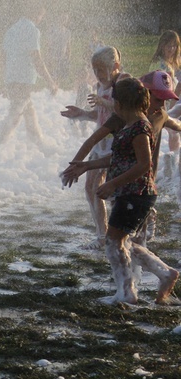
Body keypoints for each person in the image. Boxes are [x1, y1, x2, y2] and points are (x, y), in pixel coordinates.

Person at [60, 78, 178, 306]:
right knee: (121, 242)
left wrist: (113, 184)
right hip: (131, 194)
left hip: (137, 194)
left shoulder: (140, 129)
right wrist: (85, 165)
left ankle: (127, 293)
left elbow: (144, 165)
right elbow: (120, 158)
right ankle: (164, 274)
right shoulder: (129, 125)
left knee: (114, 243)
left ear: (121, 105)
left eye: (114, 102)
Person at [59, 46, 128, 249]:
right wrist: (81, 113)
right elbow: (98, 116)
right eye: (94, 70)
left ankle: (122, 233)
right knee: (91, 188)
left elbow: (125, 111)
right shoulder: (100, 86)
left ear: (115, 65)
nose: (97, 74)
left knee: (116, 191)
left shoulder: (124, 82)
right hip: (100, 143)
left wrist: (103, 102)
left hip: (117, 144)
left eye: (101, 69)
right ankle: (102, 234)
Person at [0, 4, 58, 145]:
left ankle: (37, 142)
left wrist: (4, 81)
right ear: (36, 14)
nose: (41, 19)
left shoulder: (11, 29)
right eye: (41, 16)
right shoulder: (32, 30)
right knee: (15, 114)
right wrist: (50, 82)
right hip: (23, 80)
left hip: (12, 79)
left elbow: (2, 58)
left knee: (28, 112)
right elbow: (37, 59)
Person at [149, 30, 181, 177]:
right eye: (169, 46)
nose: (172, 49)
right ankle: (169, 163)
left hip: (165, 104)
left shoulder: (169, 63)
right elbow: (159, 89)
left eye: (175, 46)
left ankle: (170, 160)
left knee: (172, 133)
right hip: (162, 105)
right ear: (162, 46)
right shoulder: (161, 65)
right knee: (169, 132)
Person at [44, 12, 72, 87]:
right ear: (58, 18)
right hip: (53, 55)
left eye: (65, 19)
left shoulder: (67, 32)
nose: (63, 20)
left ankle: (57, 88)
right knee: (52, 73)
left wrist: (68, 56)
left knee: (59, 75)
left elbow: (68, 46)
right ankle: (51, 87)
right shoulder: (53, 30)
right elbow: (48, 44)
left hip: (62, 56)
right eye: (62, 18)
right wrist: (48, 55)